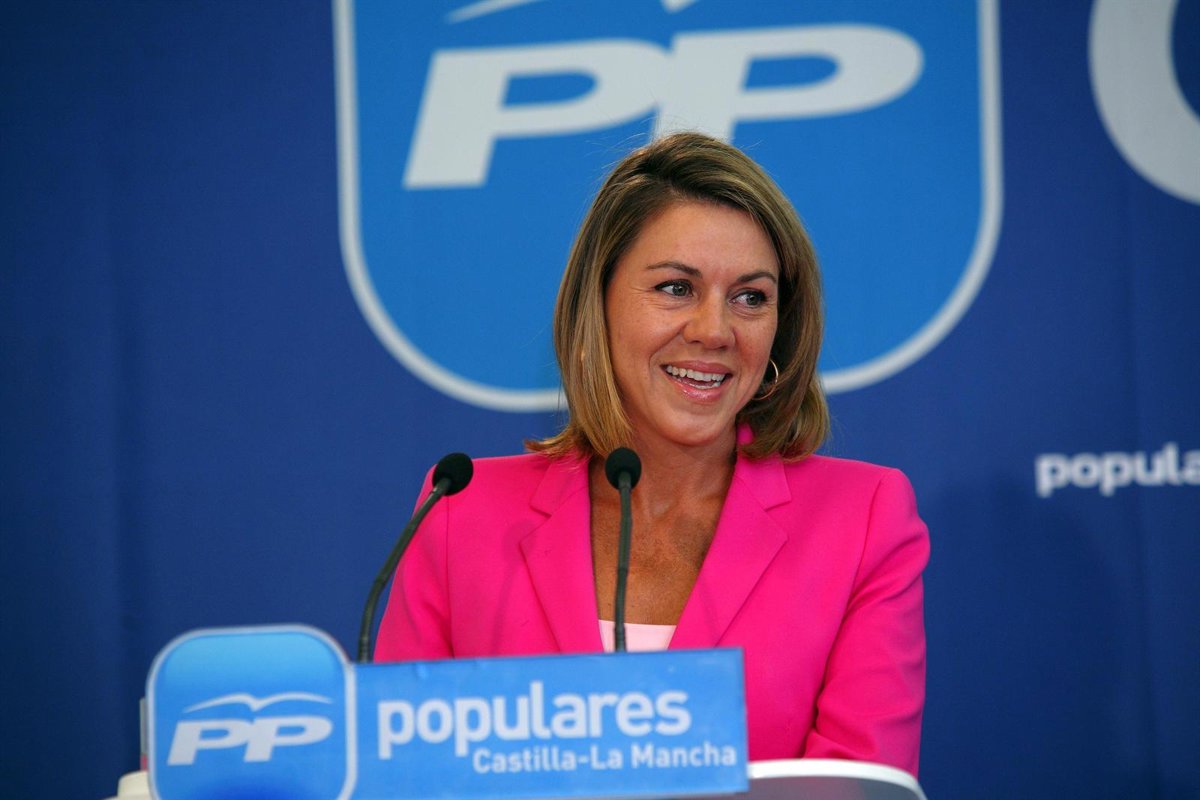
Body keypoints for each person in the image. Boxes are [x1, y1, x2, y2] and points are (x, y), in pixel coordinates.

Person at [375, 132, 929, 776]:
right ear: (599, 302)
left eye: (750, 297)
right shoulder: (460, 514)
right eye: (675, 288)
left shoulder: (862, 520)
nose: (714, 331)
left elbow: (856, 785)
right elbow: (402, 774)